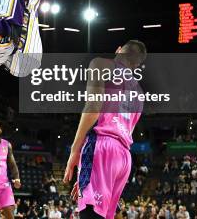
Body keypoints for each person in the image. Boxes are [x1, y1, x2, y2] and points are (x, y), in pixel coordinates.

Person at [63, 41, 148, 219]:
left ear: (118, 50)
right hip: (124, 157)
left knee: (90, 213)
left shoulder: (101, 64)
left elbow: (93, 107)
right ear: (137, 65)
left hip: (101, 146)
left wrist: (75, 150)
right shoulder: (139, 92)